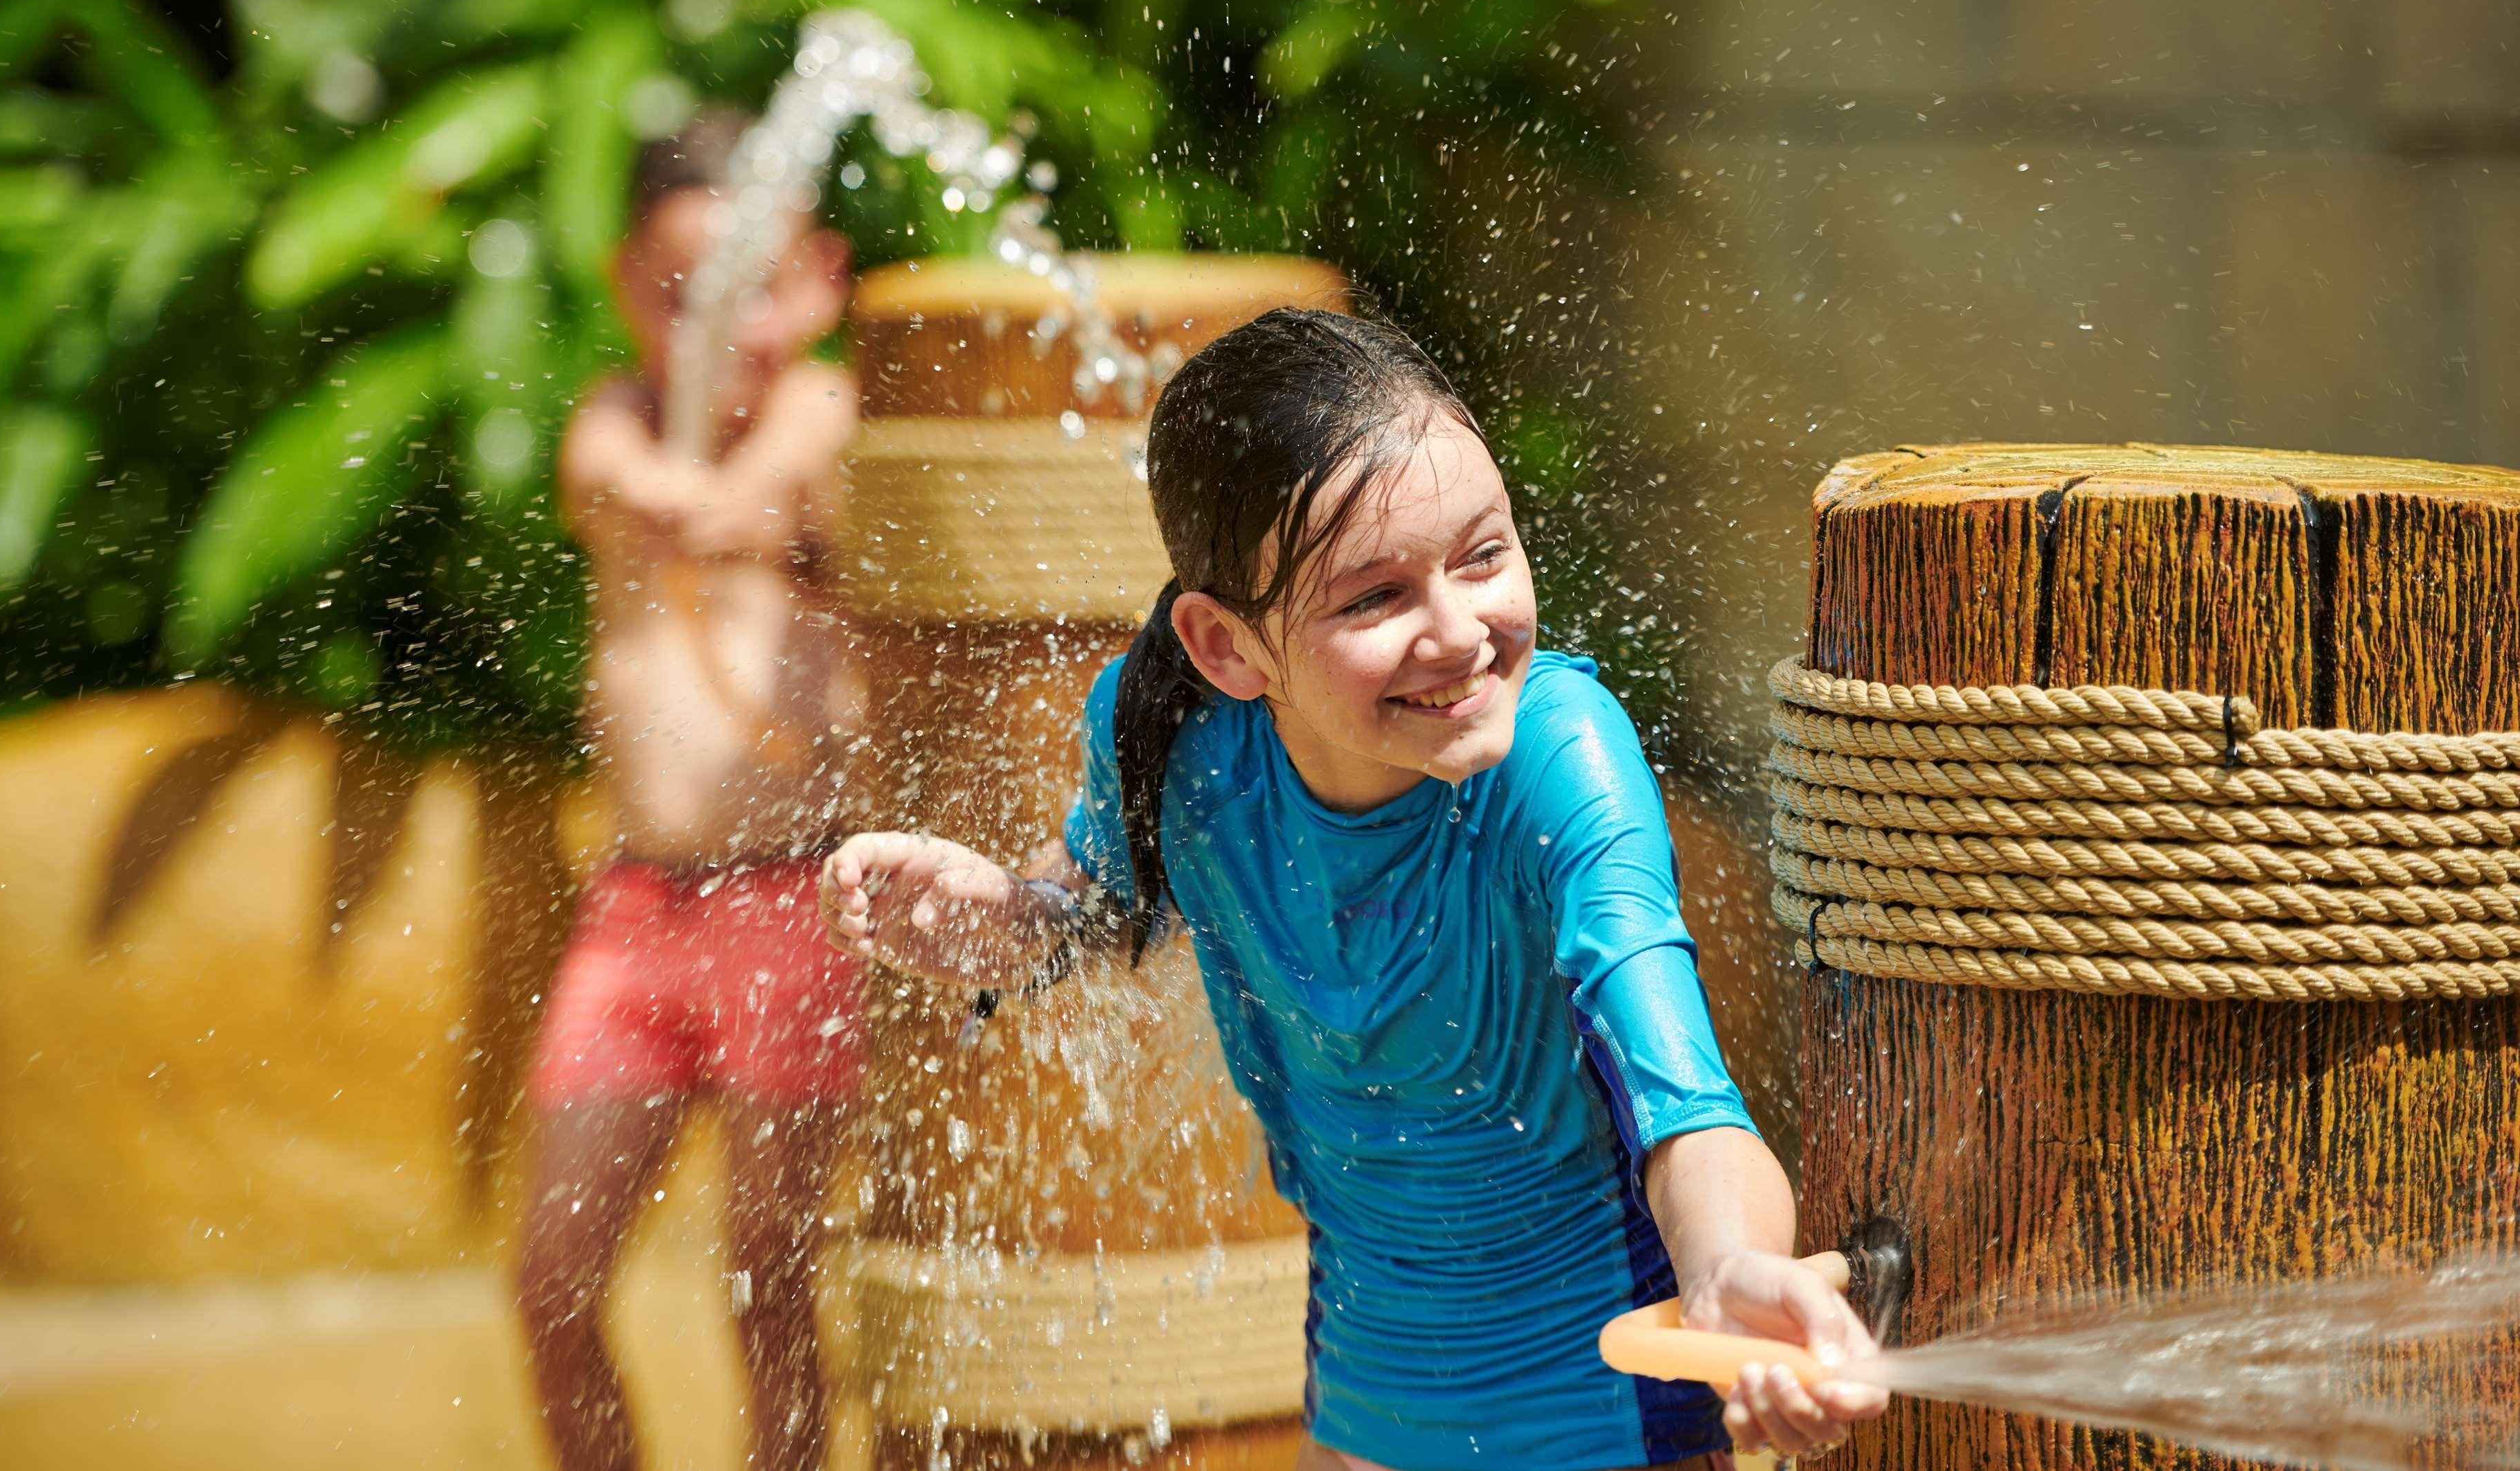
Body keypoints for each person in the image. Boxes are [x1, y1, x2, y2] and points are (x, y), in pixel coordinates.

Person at [818, 309, 1889, 1470]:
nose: (1460, 632)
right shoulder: (1176, 744)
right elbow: (1088, 913)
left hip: (1613, 1423)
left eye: (1484, 556)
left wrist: (1727, 1268)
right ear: (1229, 648)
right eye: (1373, 599)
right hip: (1361, 1411)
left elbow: (1683, 1097)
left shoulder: (1559, 761)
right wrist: (1005, 923)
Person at [515, 118, 867, 1471]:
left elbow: (786, 471)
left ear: (822, 277)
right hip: (638, 913)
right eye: (684, 295)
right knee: (551, 1280)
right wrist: (697, 501)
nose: (730, 325)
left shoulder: (824, 410)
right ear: (623, 287)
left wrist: (765, 519)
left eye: (761, 287)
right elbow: (623, 481)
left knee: (767, 1278)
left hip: (797, 903)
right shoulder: (615, 418)